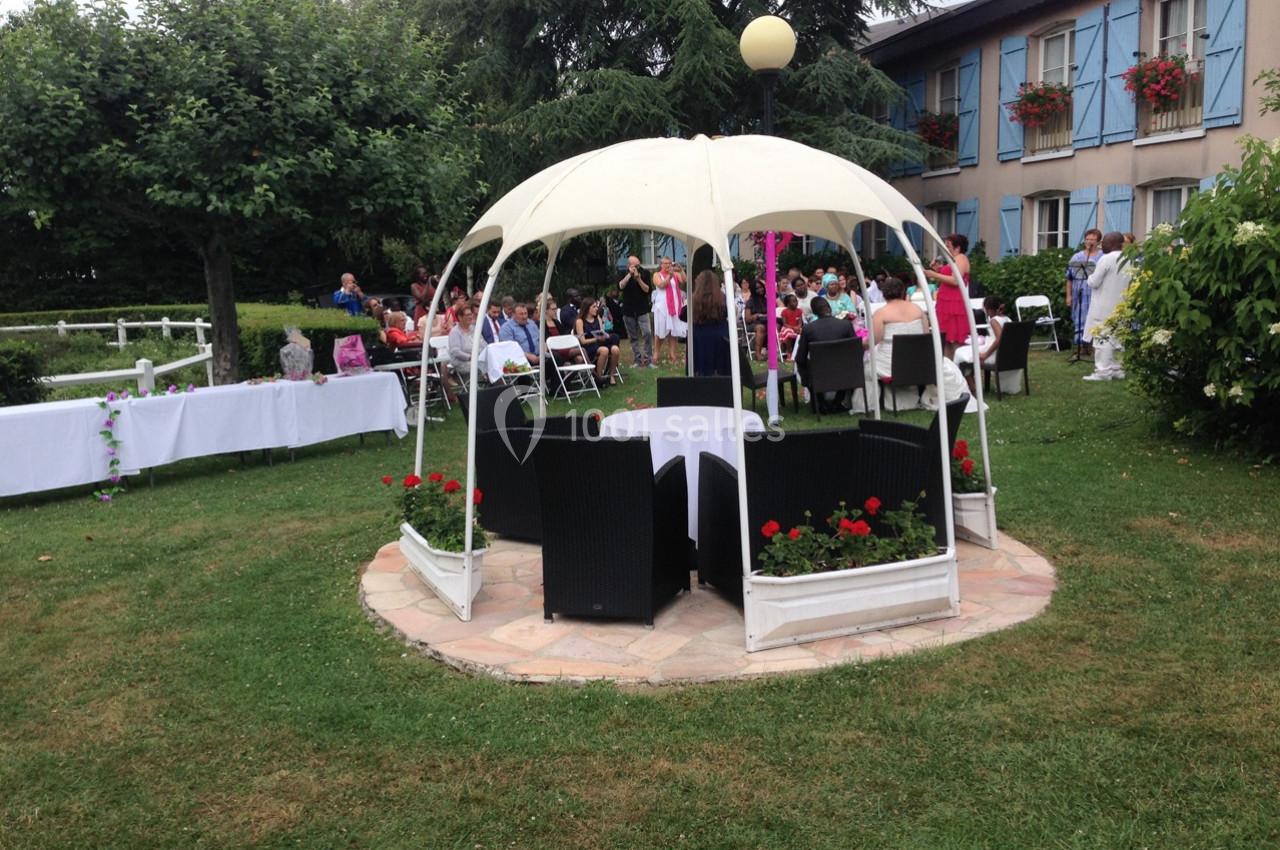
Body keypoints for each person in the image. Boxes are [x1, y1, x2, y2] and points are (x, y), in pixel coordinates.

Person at [873, 276, 967, 410]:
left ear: (883, 293)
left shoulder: (880, 314)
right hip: (918, 362)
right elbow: (925, 336)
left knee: (867, 368)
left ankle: (871, 403)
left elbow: (875, 340)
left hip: (891, 364)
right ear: (903, 291)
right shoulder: (917, 309)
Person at [1082, 231, 1132, 382]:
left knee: (1103, 339)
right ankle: (1117, 369)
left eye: (1103, 242)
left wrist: (1089, 276)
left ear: (1111, 243)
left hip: (1104, 306)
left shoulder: (1106, 259)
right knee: (1119, 339)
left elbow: (1094, 282)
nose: (1100, 244)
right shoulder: (1129, 259)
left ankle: (1102, 372)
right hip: (1122, 304)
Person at [794, 297, 856, 412]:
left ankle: (819, 402)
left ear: (814, 312)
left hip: (819, 373)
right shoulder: (846, 325)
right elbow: (855, 351)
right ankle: (838, 401)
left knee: (803, 364)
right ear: (830, 308)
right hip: (845, 373)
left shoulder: (809, 329)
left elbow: (800, 357)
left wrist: (805, 378)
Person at [923, 233, 972, 357]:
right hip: (946, 302)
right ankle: (947, 368)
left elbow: (956, 280)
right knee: (946, 339)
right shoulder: (953, 260)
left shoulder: (961, 258)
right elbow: (949, 275)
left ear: (958, 247)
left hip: (954, 303)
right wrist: (939, 269)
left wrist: (934, 275)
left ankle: (959, 369)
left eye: (949, 246)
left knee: (955, 339)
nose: (946, 248)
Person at [953, 295, 1010, 392]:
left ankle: (972, 386)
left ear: (987, 309)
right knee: (969, 354)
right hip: (1005, 352)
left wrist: (986, 354)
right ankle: (973, 385)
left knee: (961, 355)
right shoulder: (1007, 319)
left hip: (996, 353)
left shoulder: (994, 320)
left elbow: (1000, 338)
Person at [1066, 228, 1104, 354]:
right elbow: (1069, 278)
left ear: (1098, 242)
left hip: (1096, 293)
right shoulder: (1077, 257)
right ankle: (1082, 346)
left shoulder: (1103, 256)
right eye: (1087, 239)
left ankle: (1094, 346)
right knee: (1080, 318)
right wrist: (1069, 296)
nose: (1089, 242)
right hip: (1079, 294)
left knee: (1095, 318)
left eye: (1093, 239)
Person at [688, 269, 731, 377]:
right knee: (720, 367)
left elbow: (683, 314)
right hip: (719, 336)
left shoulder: (694, 299)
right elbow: (729, 312)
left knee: (700, 366)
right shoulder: (722, 298)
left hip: (699, 336)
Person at [618, 255, 655, 368]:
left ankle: (648, 359)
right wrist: (629, 274)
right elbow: (621, 286)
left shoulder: (645, 273)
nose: (637, 267)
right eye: (634, 265)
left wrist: (638, 279)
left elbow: (647, 289)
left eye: (638, 265)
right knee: (633, 336)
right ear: (629, 265)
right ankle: (637, 360)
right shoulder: (623, 273)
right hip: (628, 309)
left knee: (647, 333)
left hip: (642, 308)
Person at [575, 297, 622, 385]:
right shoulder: (580, 321)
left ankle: (611, 375)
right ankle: (598, 377)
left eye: (596, 306)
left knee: (615, 349)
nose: (597, 308)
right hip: (588, 346)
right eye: (594, 307)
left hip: (599, 343)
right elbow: (583, 341)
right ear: (587, 308)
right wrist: (596, 339)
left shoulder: (598, 319)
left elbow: (601, 332)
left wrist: (603, 336)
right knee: (604, 350)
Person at [651, 255, 687, 367]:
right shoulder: (657, 275)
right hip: (662, 307)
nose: (667, 265)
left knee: (673, 332)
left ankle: (672, 354)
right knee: (660, 332)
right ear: (661, 264)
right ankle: (656, 354)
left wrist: (681, 271)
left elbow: (684, 281)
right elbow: (661, 285)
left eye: (669, 263)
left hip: (675, 306)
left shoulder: (675, 274)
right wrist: (669, 277)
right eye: (665, 263)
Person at [447, 303, 486, 381]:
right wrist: (471, 357)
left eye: (471, 314)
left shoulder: (474, 329)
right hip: (463, 363)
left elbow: (483, 344)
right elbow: (455, 351)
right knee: (479, 368)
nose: (471, 317)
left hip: (478, 360)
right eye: (467, 315)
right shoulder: (455, 332)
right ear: (460, 317)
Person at [743, 278, 770, 359]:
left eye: (761, 287)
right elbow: (747, 319)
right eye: (757, 288)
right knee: (761, 327)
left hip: (766, 322)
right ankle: (757, 354)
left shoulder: (767, 300)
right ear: (753, 290)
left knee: (776, 325)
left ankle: (775, 351)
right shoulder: (750, 302)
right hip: (753, 325)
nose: (760, 289)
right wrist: (757, 316)